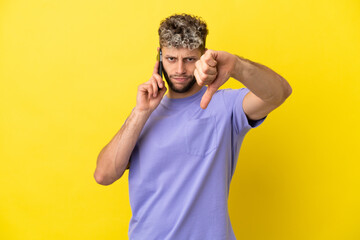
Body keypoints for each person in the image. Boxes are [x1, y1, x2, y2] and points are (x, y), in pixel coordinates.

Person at [94, 13, 292, 240]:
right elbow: (104, 175)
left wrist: (236, 66)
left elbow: (280, 93)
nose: (179, 70)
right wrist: (140, 113)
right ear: (159, 57)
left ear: (203, 57)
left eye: (189, 59)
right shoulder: (143, 115)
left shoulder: (226, 105)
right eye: (171, 59)